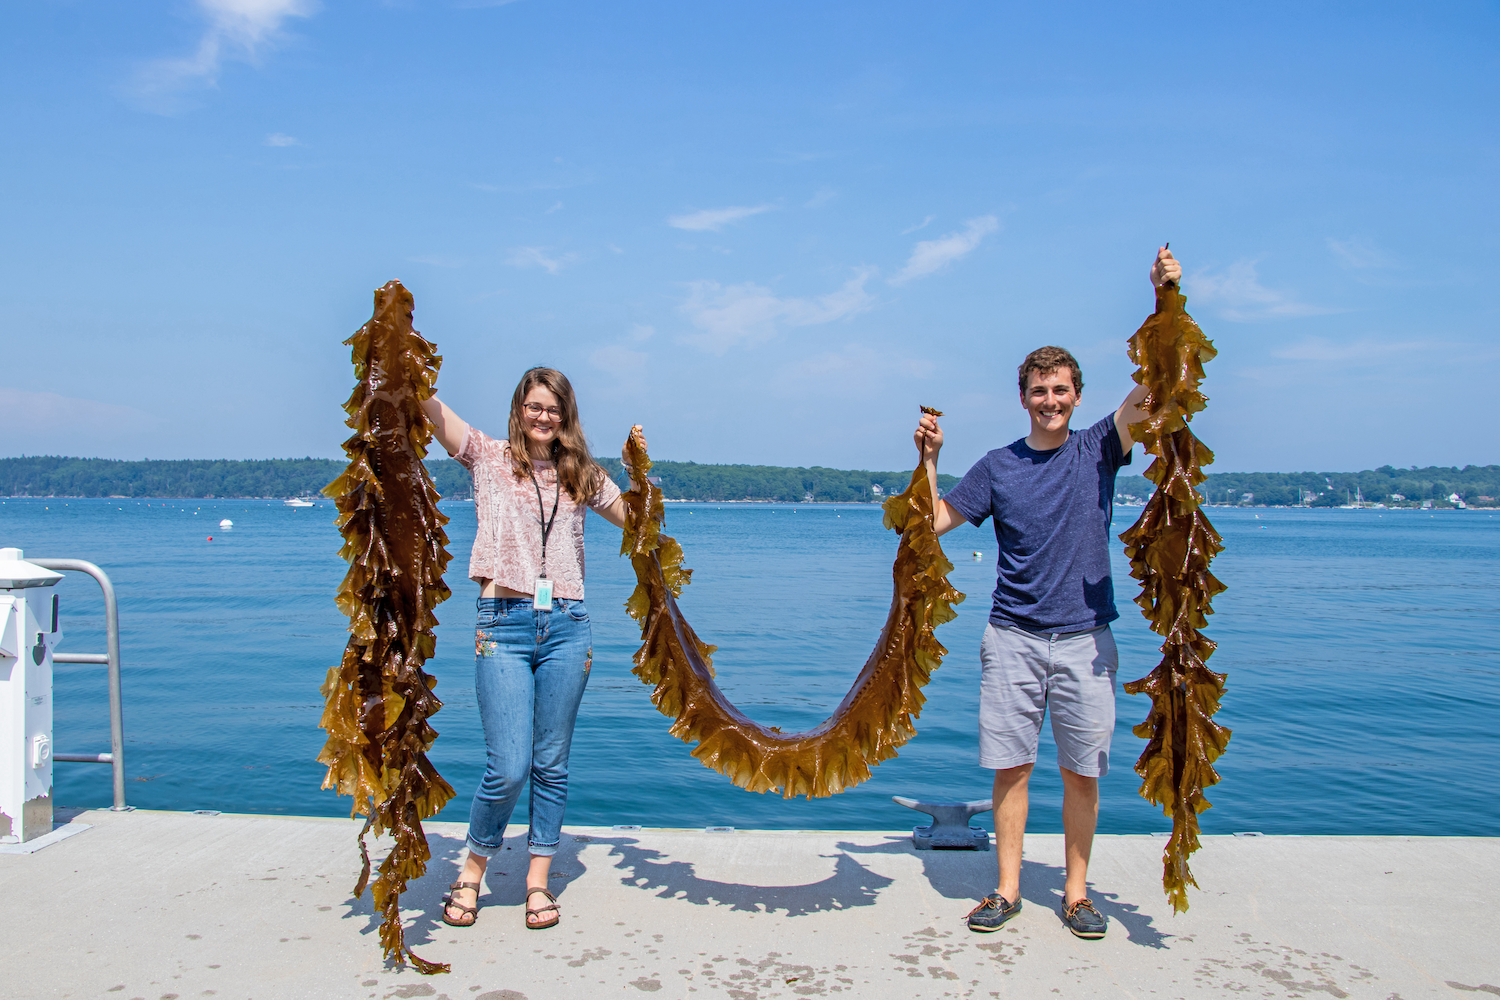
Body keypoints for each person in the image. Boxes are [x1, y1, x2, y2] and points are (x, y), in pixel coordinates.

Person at [913, 247, 1182, 940]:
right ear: (1023, 397)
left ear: (1077, 396)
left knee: (1081, 773)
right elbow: (934, 525)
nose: (1051, 401)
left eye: (1061, 390)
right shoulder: (998, 466)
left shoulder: (1100, 448)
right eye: (1040, 391)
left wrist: (1164, 299)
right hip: (1012, 639)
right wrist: (930, 460)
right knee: (1011, 768)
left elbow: (1154, 387)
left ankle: (1076, 892)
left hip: (1087, 641)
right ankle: (1005, 889)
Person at [421, 366, 645, 931]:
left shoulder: (581, 475)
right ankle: (472, 871)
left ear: (566, 416)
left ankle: (537, 883)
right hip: (504, 623)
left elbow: (637, 520)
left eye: (554, 408)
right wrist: (400, 361)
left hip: (568, 625)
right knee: (509, 765)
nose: (544, 417)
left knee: (551, 764)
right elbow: (433, 412)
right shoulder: (488, 457)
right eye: (535, 405)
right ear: (520, 408)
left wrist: (637, 469)